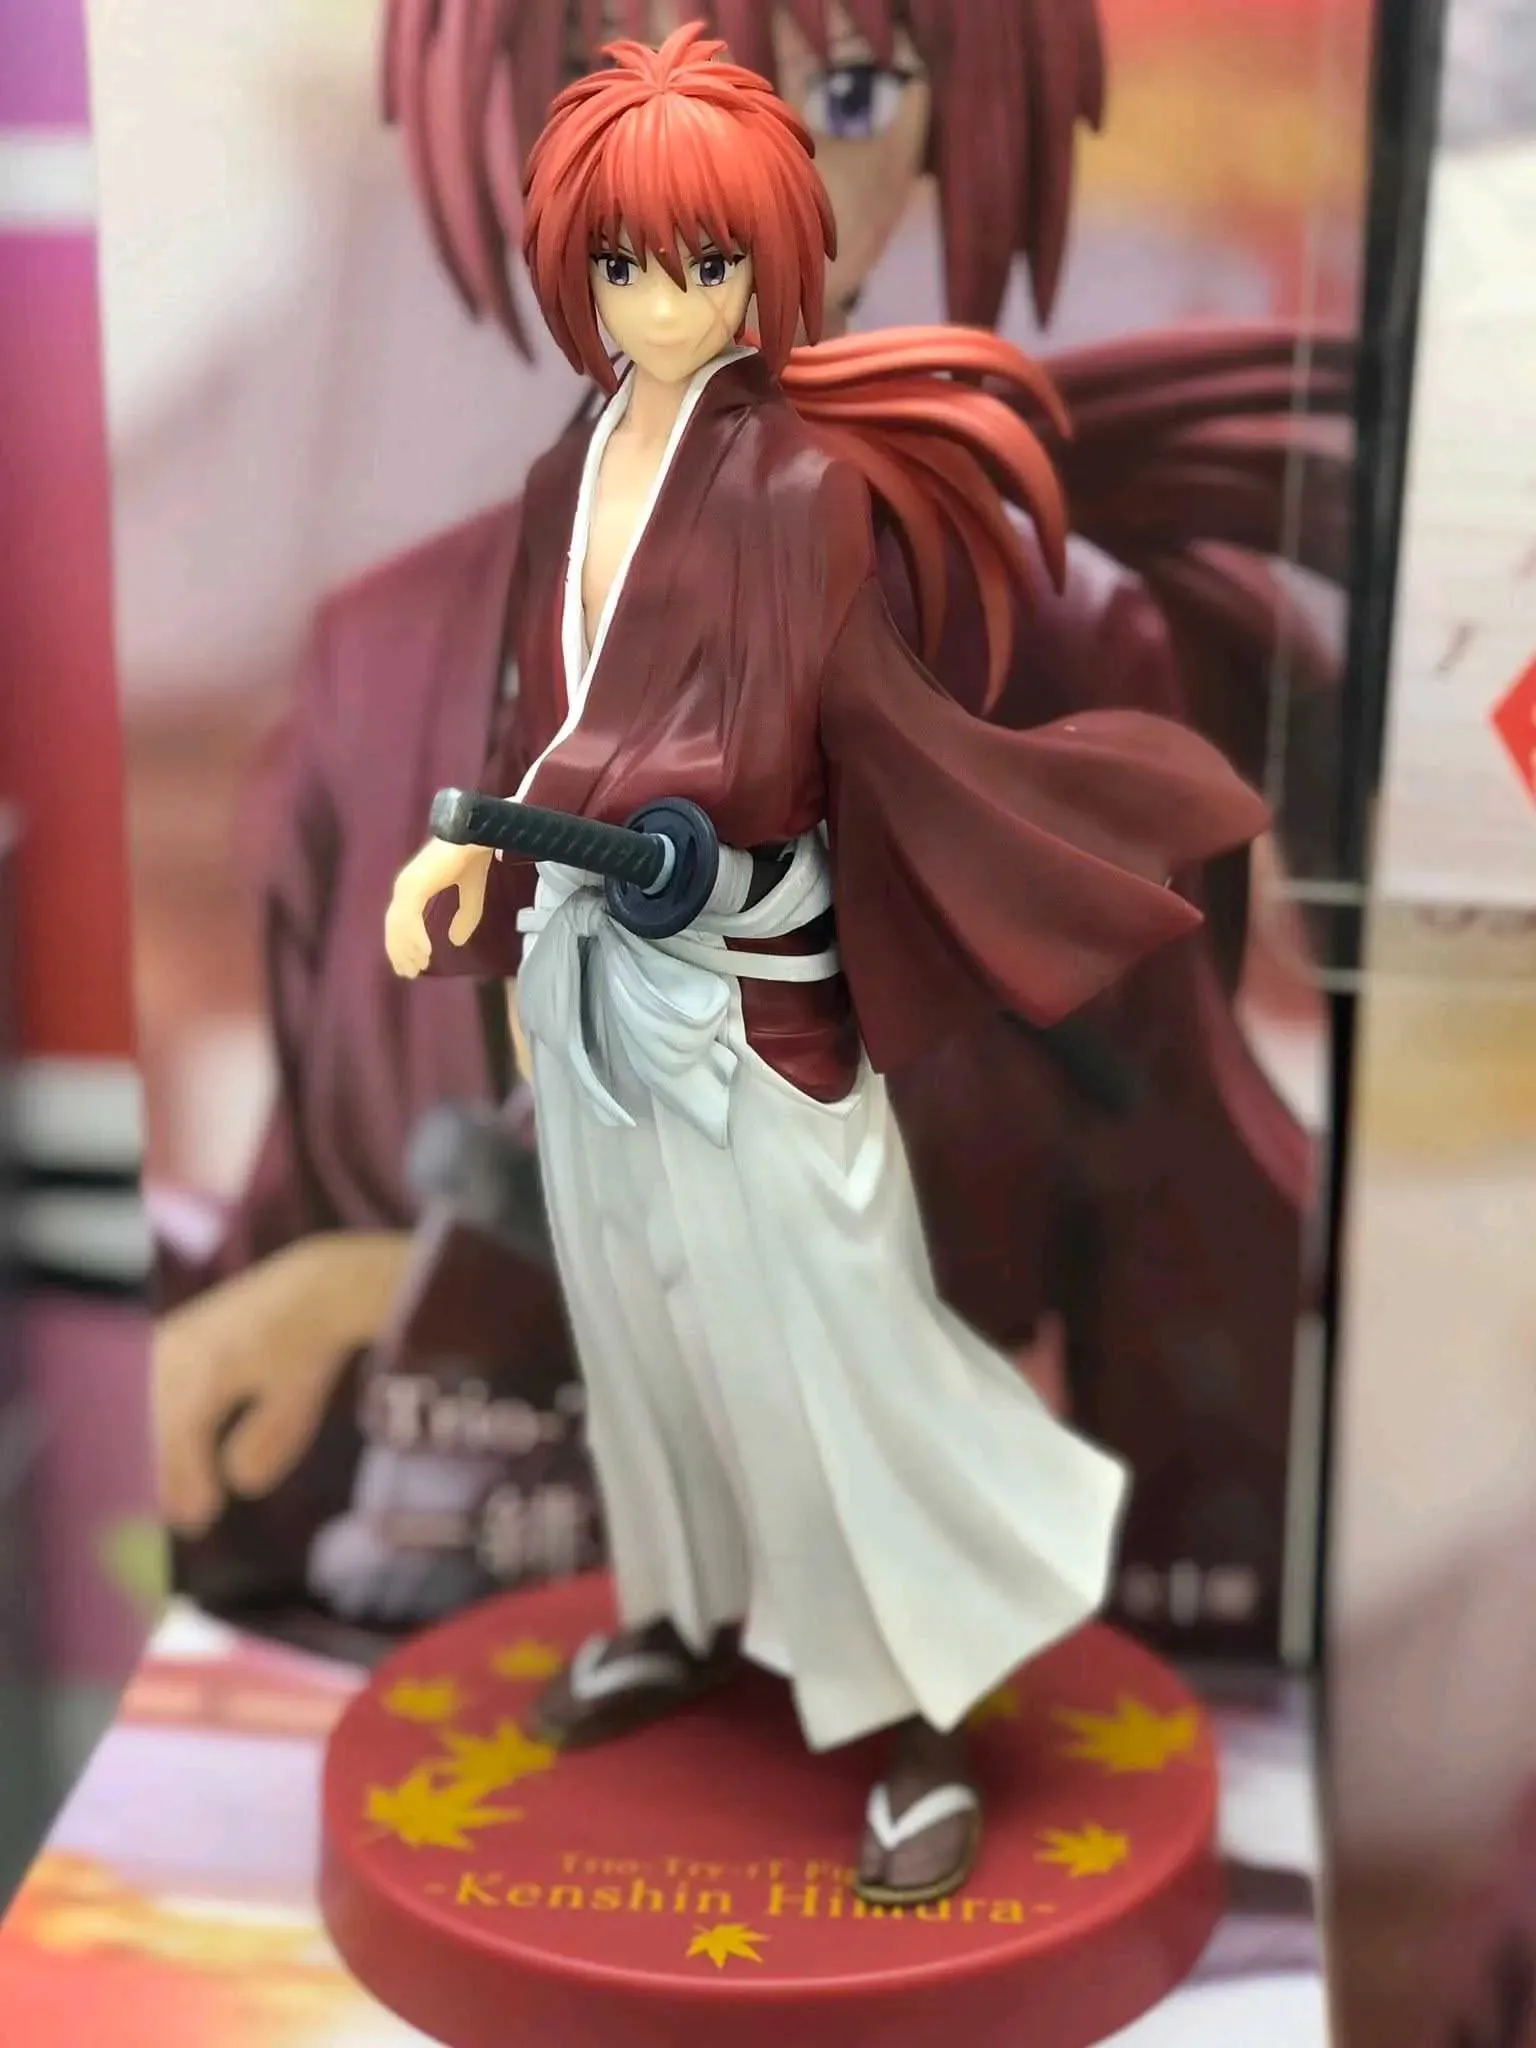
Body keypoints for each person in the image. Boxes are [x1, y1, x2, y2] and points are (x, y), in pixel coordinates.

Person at [155, 0, 1345, 1643]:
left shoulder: (1037, 634)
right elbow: (264, 1367)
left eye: (845, 93)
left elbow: (1174, 1293)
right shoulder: (389, 655)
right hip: (475, 1622)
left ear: (943, 138)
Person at [382, 24, 1267, 1907]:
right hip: (588, 976)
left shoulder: (799, 487)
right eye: (627, 263)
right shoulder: (566, 477)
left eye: (705, 263)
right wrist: (482, 864)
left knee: (832, 1357)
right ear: (577, 268)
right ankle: (684, 1608)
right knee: (641, 1335)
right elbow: (545, 721)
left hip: (745, 993)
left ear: (764, 261)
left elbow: (780, 739)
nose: (666, 303)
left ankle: (921, 1705)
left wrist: (575, 823)